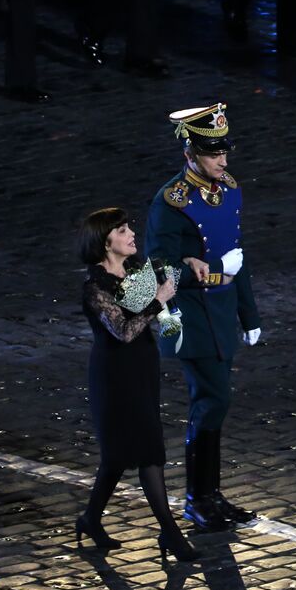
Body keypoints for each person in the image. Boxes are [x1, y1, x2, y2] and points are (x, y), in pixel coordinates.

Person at [147, 104, 263, 532]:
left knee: (215, 403)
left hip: (220, 312)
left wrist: (248, 313)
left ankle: (210, 495)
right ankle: (198, 498)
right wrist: (193, 268)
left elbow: (238, 256)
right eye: (214, 153)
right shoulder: (170, 203)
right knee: (212, 400)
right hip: (186, 316)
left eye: (224, 152)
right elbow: (155, 269)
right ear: (190, 154)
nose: (223, 160)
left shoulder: (229, 190)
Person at [77, 207, 201, 563]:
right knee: (149, 450)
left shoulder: (134, 270)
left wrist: (171, 312)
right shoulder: (95, 287)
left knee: (116, 457)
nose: (132, 233)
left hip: (143, 367)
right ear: (105, 241)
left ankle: (90, 519)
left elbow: (160, 316)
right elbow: (125, 330)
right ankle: (170, 533)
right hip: (115, 375)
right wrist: (158, 299)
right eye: (122, 230)